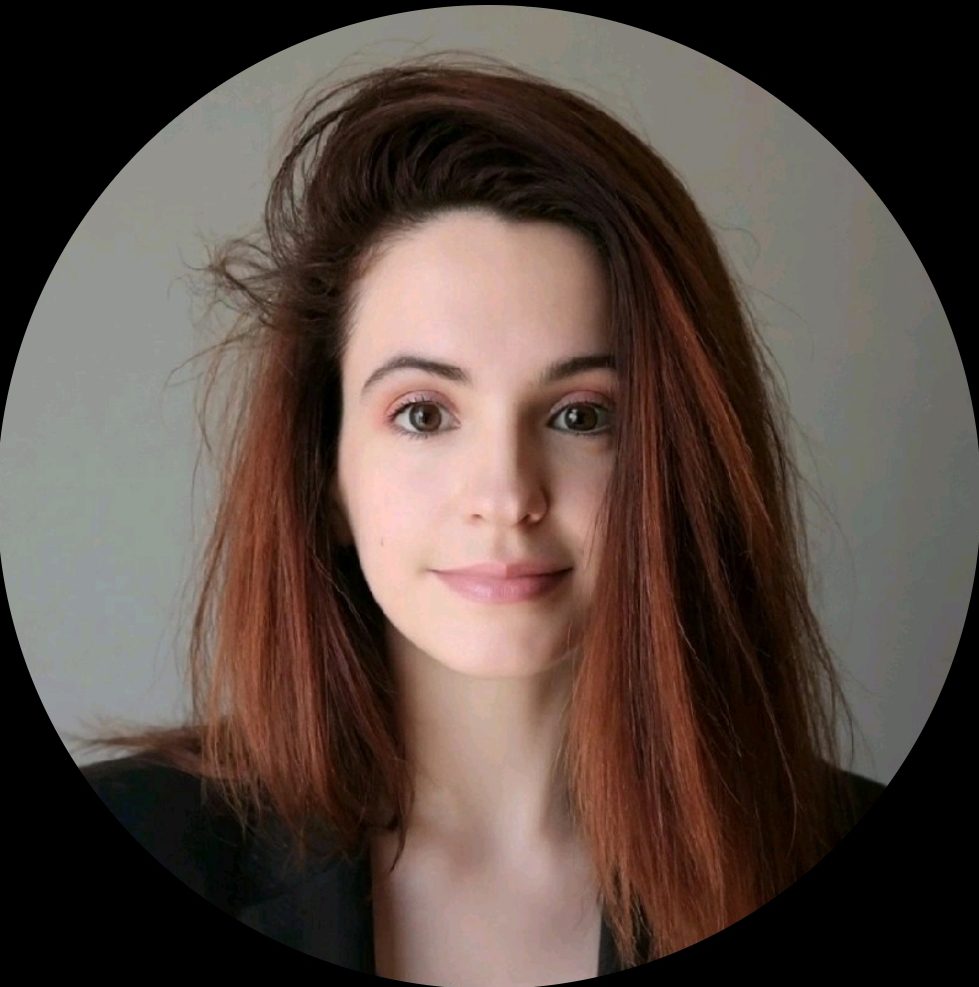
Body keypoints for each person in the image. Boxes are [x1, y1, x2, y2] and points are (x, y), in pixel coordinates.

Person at [80, 52, 884, 982]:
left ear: (675, 465)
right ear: (325, 472)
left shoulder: (822, 841)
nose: (505, 495)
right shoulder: (145, 835)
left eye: (581, 416)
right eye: (423, 413)